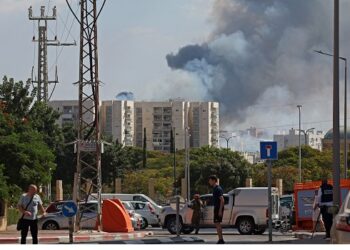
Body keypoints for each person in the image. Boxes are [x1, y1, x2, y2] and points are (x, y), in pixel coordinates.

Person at [208, 175, 225, 244]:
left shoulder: (218, 189)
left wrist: (220, 210)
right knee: (217, 223)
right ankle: (220, 239)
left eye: (210, 180)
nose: (209, 182)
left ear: (214, 180)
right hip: (216, 208)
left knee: (218, 223)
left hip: (218, 208)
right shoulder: (214, 188)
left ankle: (221, 240)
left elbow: (222, 200)